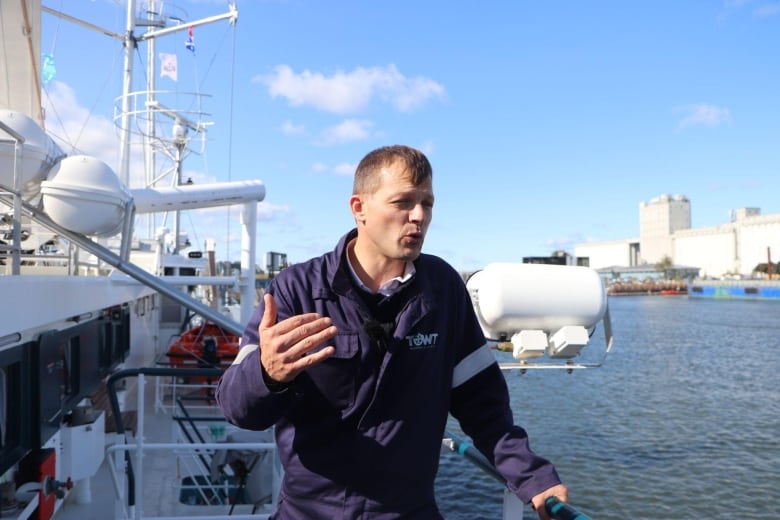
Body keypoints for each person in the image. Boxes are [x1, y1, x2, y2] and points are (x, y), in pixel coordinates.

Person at [216, 145, 568, 519]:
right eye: (403, 202)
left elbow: (482, 403)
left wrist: (531, 477)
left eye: (427, 204)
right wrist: (266, 374)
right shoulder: (296, 290)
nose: (418, 216)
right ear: (359, 208)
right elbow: (238, 409)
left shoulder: (443, 289)